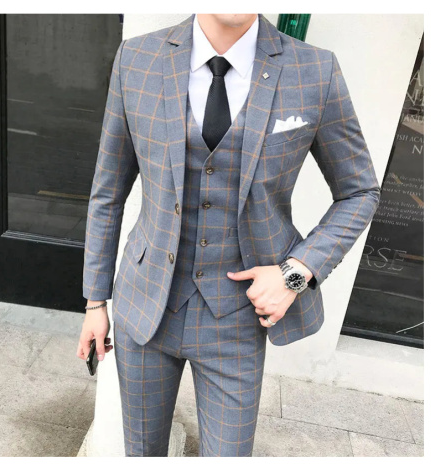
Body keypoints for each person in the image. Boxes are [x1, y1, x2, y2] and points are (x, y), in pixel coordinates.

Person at [77, 13, 381, 457]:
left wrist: (295, 273)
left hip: (237, 320)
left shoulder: (314, 70)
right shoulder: (137, 59)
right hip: (145, 307)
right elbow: (107, 193)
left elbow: (359, 192)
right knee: (141, 452)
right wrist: (95, 302)